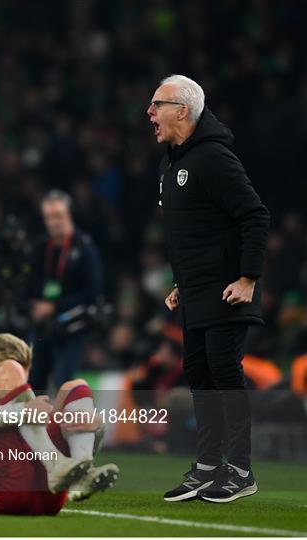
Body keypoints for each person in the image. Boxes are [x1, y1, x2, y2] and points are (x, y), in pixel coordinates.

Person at [147, 75, 270, 503]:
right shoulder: (170, 165)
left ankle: (239, 470)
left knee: (224, 375)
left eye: (157, 105)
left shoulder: (215, 157)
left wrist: (248, 278)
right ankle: (207, 466)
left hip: (226, 292)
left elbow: (255, 216)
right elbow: (194, 233)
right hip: (196, 292)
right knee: (199, 377)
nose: (150, 113)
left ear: (183, 110)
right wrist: (181, 283)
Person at [0, 332, 119, 515]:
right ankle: (55, 464)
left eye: (23, 376)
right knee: (26, 410)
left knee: (75, 388)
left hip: (46, 496)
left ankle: (82, 475)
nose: (17, 383)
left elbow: (49, 433)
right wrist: (23, 411)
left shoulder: (20, 401)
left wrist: (97, 428)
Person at [29, 190, 103, 391]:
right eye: (49, 217)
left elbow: (92, 292)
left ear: (70, 214)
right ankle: (36, 423)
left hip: (71, 327)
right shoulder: (40, 247)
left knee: (64, 383)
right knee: (34, 382)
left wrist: (54, 306)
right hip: (43, 326)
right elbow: (31, 282)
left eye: (58, 216)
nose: (54, 222)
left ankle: (63, 423)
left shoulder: (84, 247)